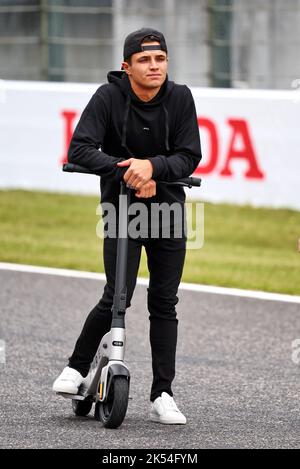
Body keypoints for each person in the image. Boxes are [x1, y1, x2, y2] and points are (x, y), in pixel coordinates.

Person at [53, 27, 201, 425]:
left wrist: (152, 167)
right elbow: (80, 148)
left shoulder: (181, 97)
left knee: (164, 302)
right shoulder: (108, 97)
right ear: (127, 66)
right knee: (116, 295)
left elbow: (190, 156)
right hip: (120, 208)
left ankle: (162, 394)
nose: (155, 67)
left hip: (168, 210)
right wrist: (130, 171)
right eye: (145, 60)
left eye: (161, 59)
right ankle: (78, 367)